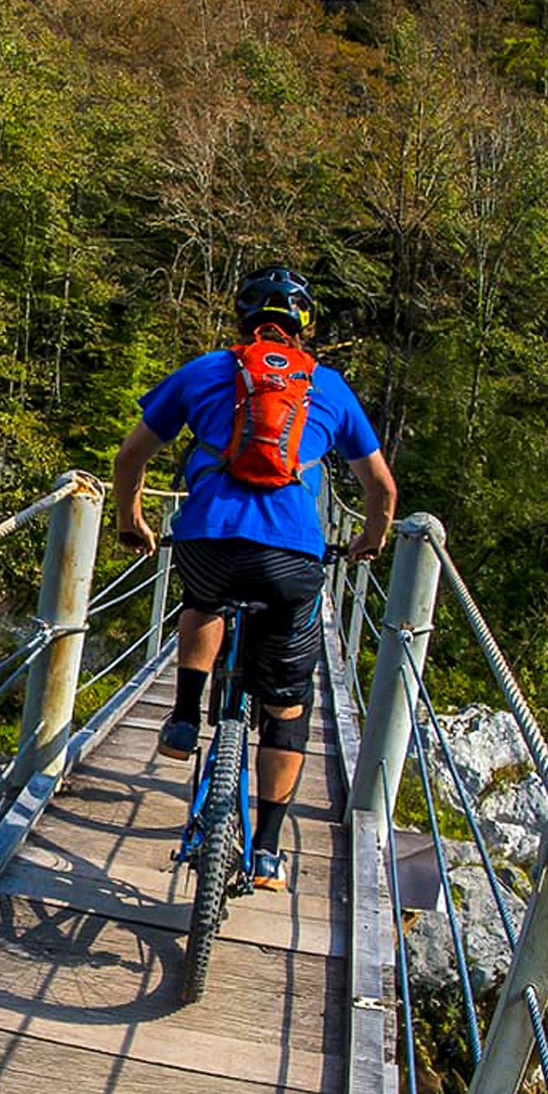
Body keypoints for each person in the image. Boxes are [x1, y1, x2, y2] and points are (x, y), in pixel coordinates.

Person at [109, 265, 395, 892]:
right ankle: (266, 851)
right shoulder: (328, 385)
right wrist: (368, 541)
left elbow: (131, 456)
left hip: (208, 541)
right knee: (289, 706)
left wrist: (130, 517)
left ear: (243, 321)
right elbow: (381, 488)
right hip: (291, 559)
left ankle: (185, 716)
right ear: (304, 328)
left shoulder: (206, 370)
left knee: (203, 598)